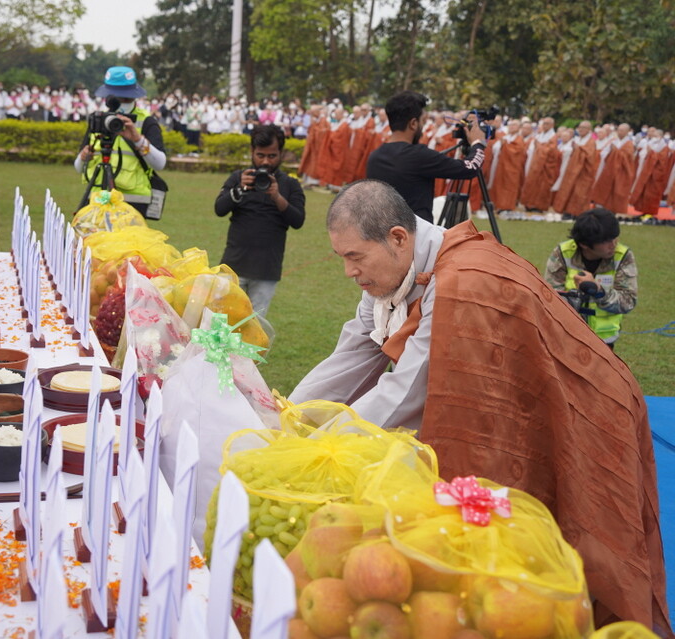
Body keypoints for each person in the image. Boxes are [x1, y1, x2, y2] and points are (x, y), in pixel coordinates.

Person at [289, 179, 669, 633]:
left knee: (578, 536)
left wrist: (314, 450)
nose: (349, 272)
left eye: (355, 257)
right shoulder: (397, 271)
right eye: (342, 258)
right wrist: (287, 418)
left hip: (589, 407)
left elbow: (406, 395)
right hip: (534, 402)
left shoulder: (463, 281)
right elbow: (353, 352)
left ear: (397, 238)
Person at [213, 124, 306, 317]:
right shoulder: (240, 178)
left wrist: (277, 197)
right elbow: (219, 209)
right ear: (252, 152)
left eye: (271, 156)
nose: (265, 162)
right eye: (260, 155)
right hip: (233, 264)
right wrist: (239, 189)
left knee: (254, 328)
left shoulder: (290, 184)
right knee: (220, 321)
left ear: (281, 153)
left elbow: (298, 220)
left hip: (266, 269)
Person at [366, 91, 487, 223]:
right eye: (422, 121)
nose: (423, 127)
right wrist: (477, 143)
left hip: (382, 232)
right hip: (415, 236)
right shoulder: (418, 155)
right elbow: (469, 168)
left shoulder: (375, 156)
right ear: (413, 123)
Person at [74, 66, 167, 218]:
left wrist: (137, 139)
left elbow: (160, 163)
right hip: (98, 200)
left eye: (127, 98)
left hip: (132, 204)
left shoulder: (146, 121)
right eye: (116, 99)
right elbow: (78, 168)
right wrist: (83, 157)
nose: (122, 102)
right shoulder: (98, 120)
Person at [544, 208, 637, 349]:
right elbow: (550, 298)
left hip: (604, 342)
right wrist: (575, 296)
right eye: (606, 241)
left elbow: (628, 302)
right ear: (584, 244)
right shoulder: (563, 253)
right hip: (567, 336)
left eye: (614, 237)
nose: (613, 244)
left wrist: (599, 291)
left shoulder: (623, 256)